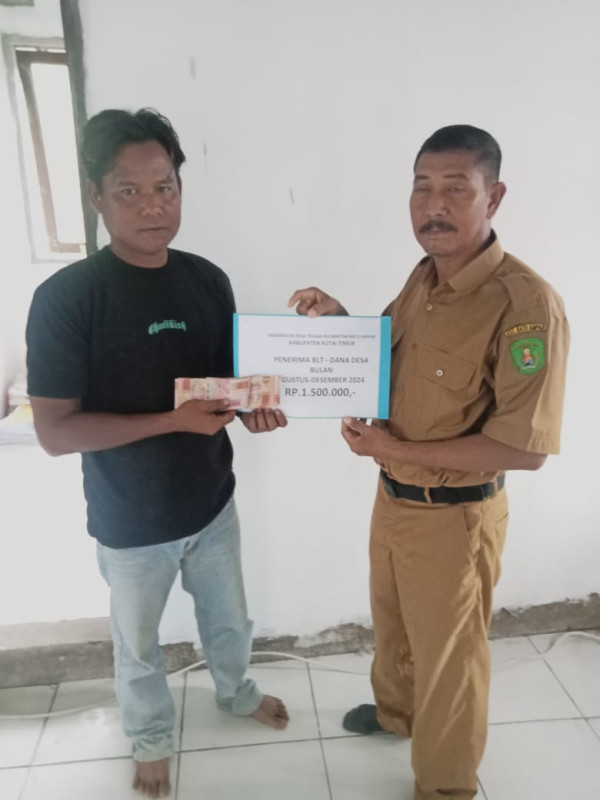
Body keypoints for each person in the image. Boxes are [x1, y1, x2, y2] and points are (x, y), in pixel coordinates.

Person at [288, 124, 569, 800]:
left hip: (455, 519)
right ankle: (398, 715)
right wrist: (340, 321)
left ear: (493, 196)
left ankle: (445, 787)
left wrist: (395, 449)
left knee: (449, 659)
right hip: (395, 499)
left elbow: (524, 448)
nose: (433, 205)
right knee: (393, 624)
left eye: (455, 188)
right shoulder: (425, 277)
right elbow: (392, 359)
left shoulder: (526, 307)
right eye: (422, 188)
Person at [26, 108, 288, 799]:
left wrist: (257, 407)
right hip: (130, 522)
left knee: (229, 622)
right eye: (130, 191)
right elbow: (55, 432)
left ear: (180, 188)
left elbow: (228, 386)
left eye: (165, 187)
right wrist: (170, 421)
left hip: (213, 503)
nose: (152, 206)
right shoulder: (66, 299)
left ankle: (235, 693)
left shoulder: (207, 279)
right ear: (96, 196)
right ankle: (148, 738)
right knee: (138, 646)